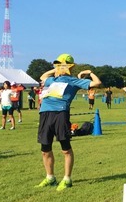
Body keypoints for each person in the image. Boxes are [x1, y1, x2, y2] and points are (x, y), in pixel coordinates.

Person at [35, 53, 101, 191]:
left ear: (69, 66)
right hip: (45, 113)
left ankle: (67, 179)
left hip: (60, 113)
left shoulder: (73, 81)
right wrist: (56, 69)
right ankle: (50, 177)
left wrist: (90, 72)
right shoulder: (52, 80)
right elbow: (42, 77)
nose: (59, 66)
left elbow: (97, 83)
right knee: (45, 149)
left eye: (61, 64)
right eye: (57, 64)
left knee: (65, 148)